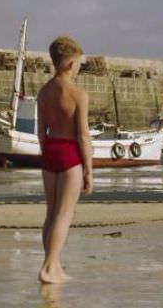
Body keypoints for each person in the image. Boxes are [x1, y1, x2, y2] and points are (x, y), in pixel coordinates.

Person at [37, 35, 93, 283]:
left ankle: (55, 265)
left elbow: (40, 132)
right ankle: (49, 268)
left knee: (51, 214)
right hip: (70, 152)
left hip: (50, 151)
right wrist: (89, 170)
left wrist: (45, 152)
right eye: (79, 62)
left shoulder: (44, 92)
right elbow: (83, 135)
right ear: (71, 63)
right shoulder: (78, 93)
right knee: (64, 215)